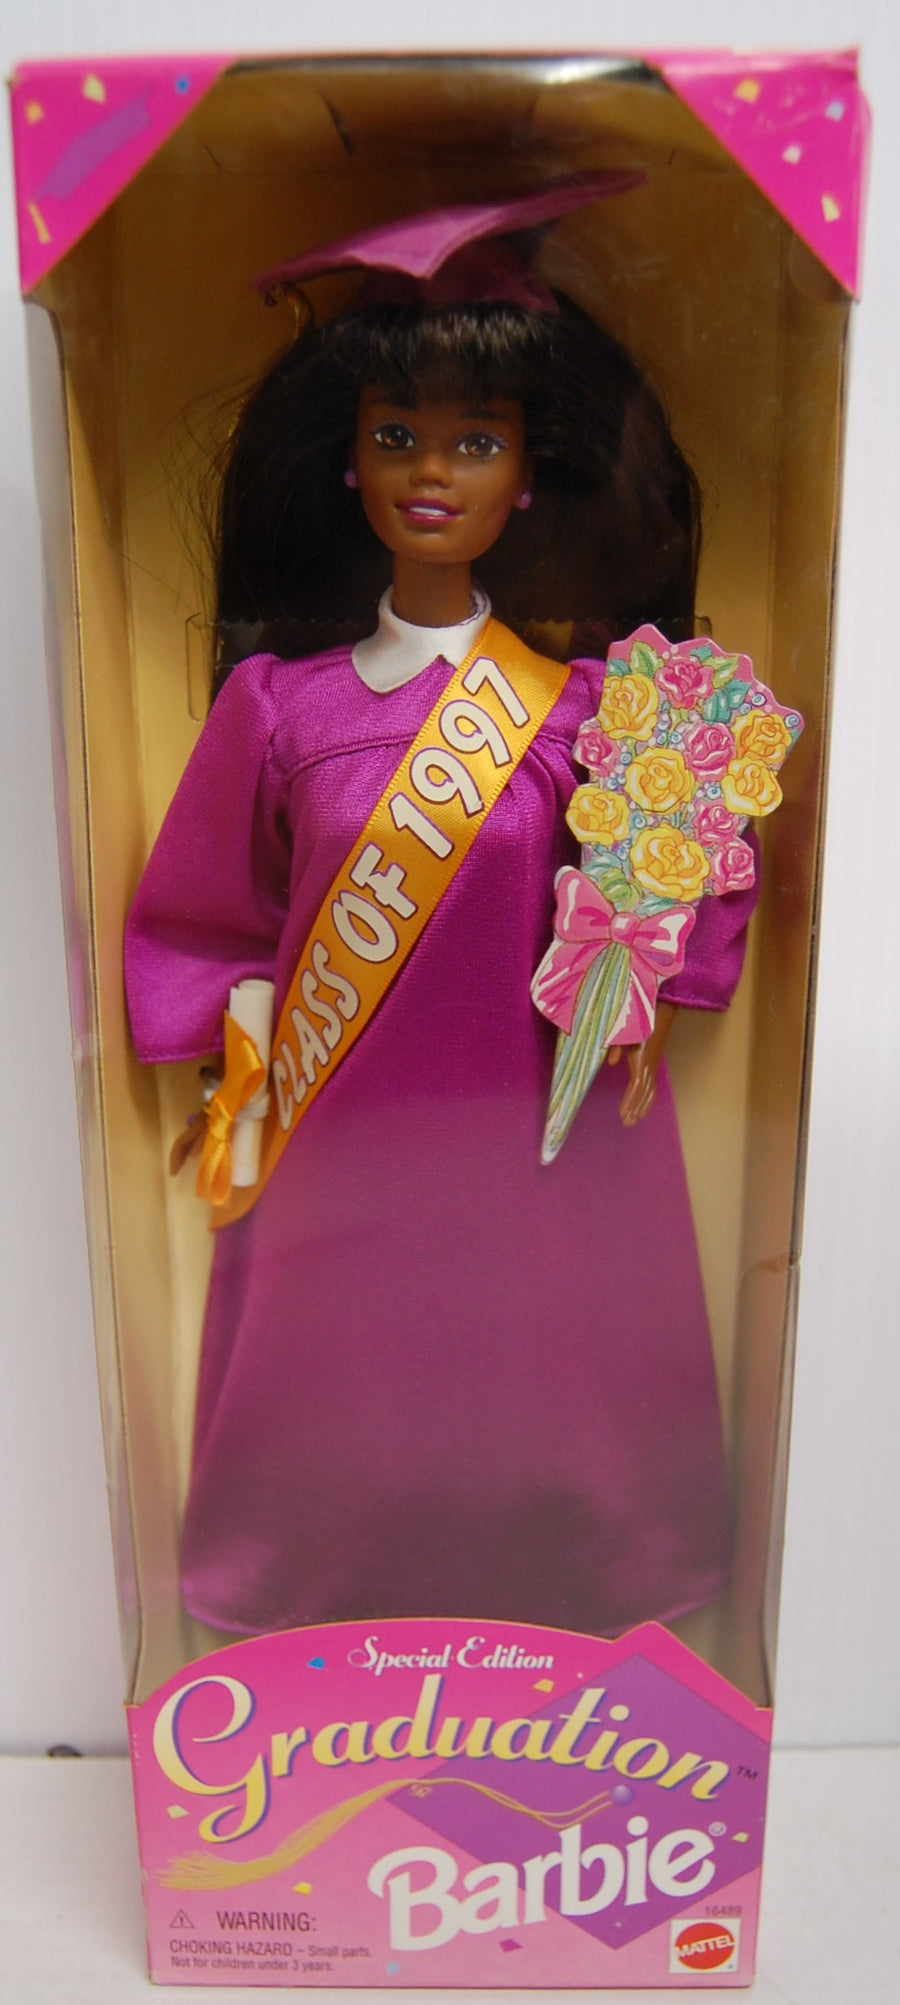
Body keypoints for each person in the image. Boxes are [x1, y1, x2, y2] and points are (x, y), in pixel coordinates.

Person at [125, 180, 756, 1641]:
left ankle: (574, 1601)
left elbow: (684, 911)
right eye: (396, 434)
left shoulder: (592, 713)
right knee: (345, 1375)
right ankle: (326, 1600)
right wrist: (245, 1048)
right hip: (345, 1134)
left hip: (546, 1131)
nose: (432, 472)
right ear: (347, 462)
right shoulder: (278, 711)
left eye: (476, 440)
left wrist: (653, 936)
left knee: (553, 1366)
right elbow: (207, 917)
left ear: (529, 474)